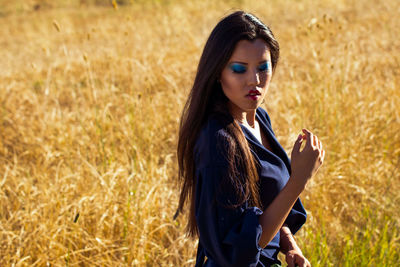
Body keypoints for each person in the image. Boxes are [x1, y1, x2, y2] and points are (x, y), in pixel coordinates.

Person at [175, 10, 325, 267]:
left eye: (263, 67)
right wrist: (299, 179)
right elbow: (240, 250)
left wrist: (290, 245)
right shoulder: (219, 141)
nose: (254, 81)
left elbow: (266, 204)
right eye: (238, 69)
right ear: (218, 72)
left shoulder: (259, 119)